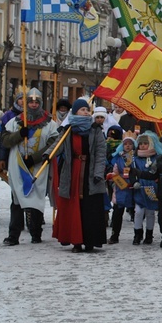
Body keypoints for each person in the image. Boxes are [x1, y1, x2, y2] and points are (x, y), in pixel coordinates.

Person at [0, 87, 59, 245]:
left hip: (38, 167)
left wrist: (35, 158)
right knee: (17, 200)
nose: (33, 104)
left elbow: (54, 143)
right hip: (18, 167)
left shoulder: (50, 124)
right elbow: (5, 141)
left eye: (36, 101)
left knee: (36, 201)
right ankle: (13, 235)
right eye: (30, 101)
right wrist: (19, 135)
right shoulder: (15, 122)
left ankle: (36, 233)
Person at [49, 98, 108, 253]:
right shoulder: (68, 130)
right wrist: (48, 154)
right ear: (75, 112)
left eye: (87, 110)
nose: (86, 112)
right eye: (82, 110)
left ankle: (90, 241)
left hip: (90, 171)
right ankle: (75, 241)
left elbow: (101, 154)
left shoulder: (96, 130)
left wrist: (98, 173)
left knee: (90, 207)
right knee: (74, 205)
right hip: (73, 171)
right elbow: (57, 146)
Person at [129, 131, 162, 246]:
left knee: (150, 212)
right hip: (140, 188)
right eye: (141, 143)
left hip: (152, 187)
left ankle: (149, 234)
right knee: (138, 212)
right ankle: (137, 233)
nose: (143, 146)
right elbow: (130, 173)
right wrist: (134, 182)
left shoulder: (157, 158)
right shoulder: (134, 159)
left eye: (145, 143)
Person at [107, 132, 136, 244]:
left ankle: (138, 235)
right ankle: (115, 235)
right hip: (120, 189)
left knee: (136, 214)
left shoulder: (136, 158)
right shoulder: (118, 159)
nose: (128, 146)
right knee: (117, 213)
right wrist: (119, 182)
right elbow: (115, 172)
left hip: (133, 189)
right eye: (125, 144)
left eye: (130, 144)